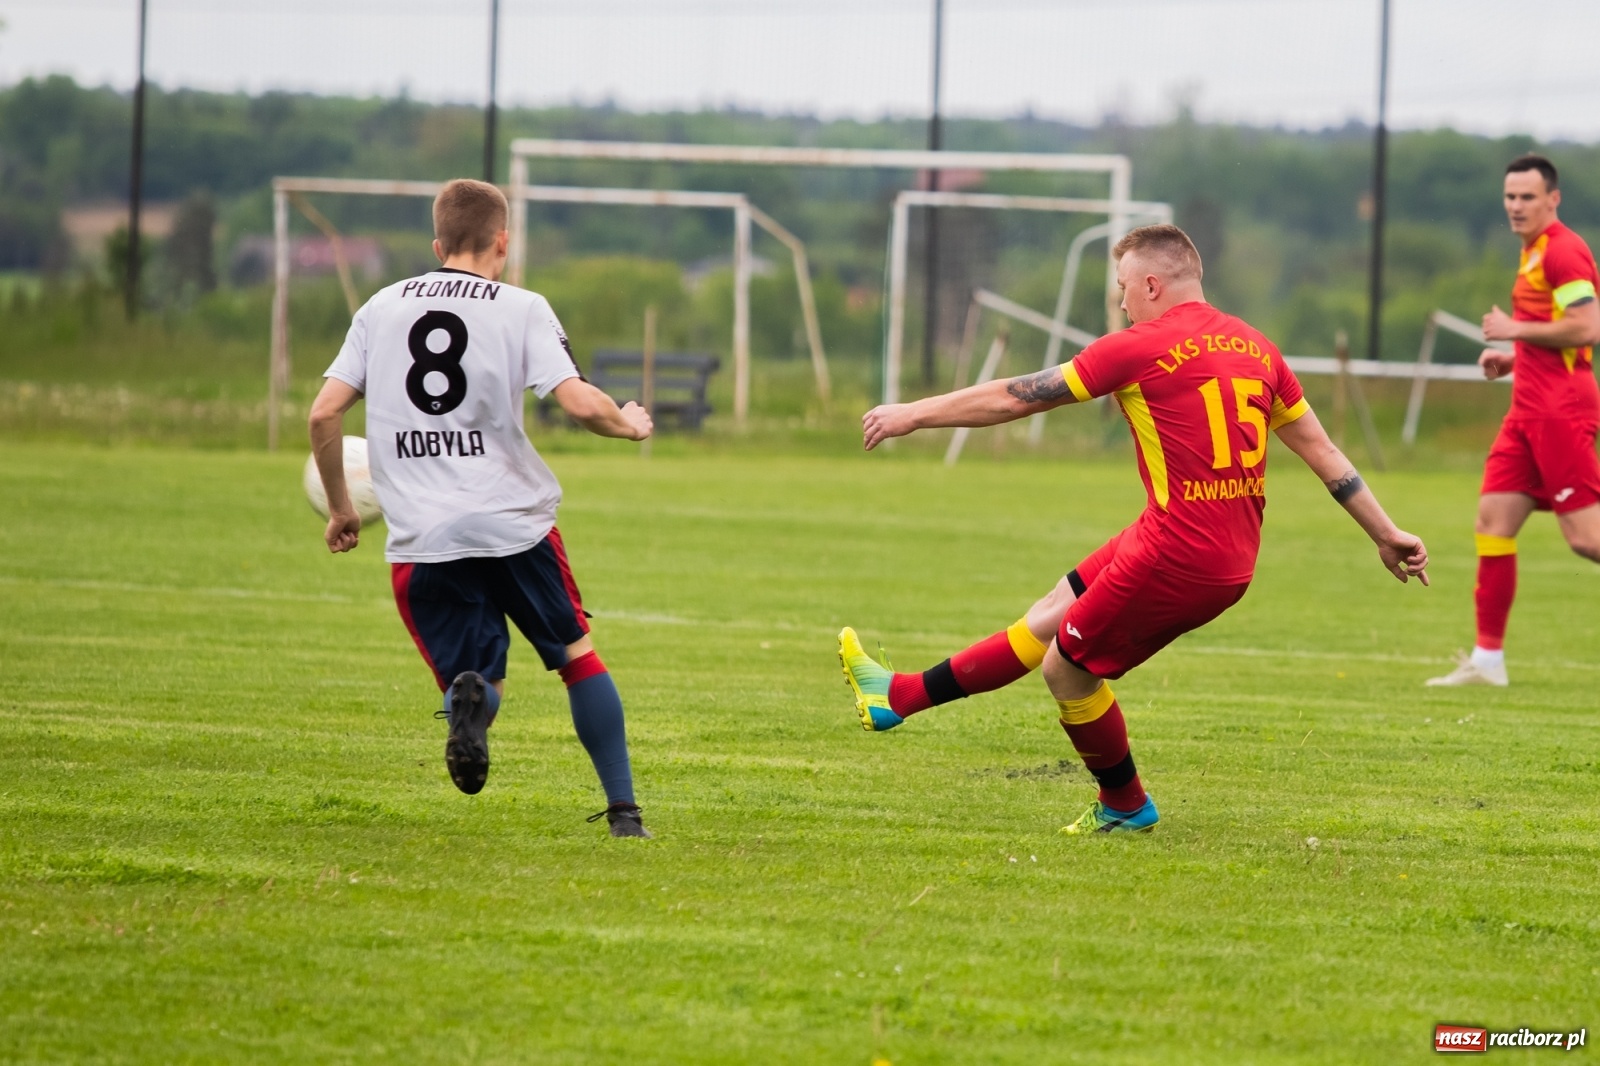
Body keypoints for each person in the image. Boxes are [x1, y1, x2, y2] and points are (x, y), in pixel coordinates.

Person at [838, 224, 1430, 834]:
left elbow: (1018, 397)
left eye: (1122, 288)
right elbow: (1323, 451)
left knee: (1066, 668)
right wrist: (1386, 532)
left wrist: (913, 413)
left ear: (1151, 284)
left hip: (1179, 555)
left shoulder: (1135, 347)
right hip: (1209, 546)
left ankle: (1124, 804)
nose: (1121, 303)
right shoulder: (1258, 349)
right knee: (1052, 612)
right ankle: (898, 697)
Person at [308, 178, 655, 838]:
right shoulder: (521, 307)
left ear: (437, 245)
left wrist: (341, 509)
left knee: (479, 678)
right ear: (503, 241)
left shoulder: (380, 308)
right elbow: (579, 403)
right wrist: (629, 423)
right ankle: (624, 813)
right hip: (513, 522)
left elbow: (324, 415)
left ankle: (471, 706)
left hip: (423, 534)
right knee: (576, 658)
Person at [1426, 155, 1600, 687]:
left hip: (1560, 413)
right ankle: (1488, 662)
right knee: (1493, 522)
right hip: (1526, 411)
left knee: (1587, 539)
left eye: (1528, 196)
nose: (1516, 206)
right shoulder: (1533, 251)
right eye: (1510, 196)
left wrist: (1514, 331)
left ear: (1553, 199)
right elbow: (1557, 338)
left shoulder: (1564, 251)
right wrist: (1512, 359)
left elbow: (1586, 328)